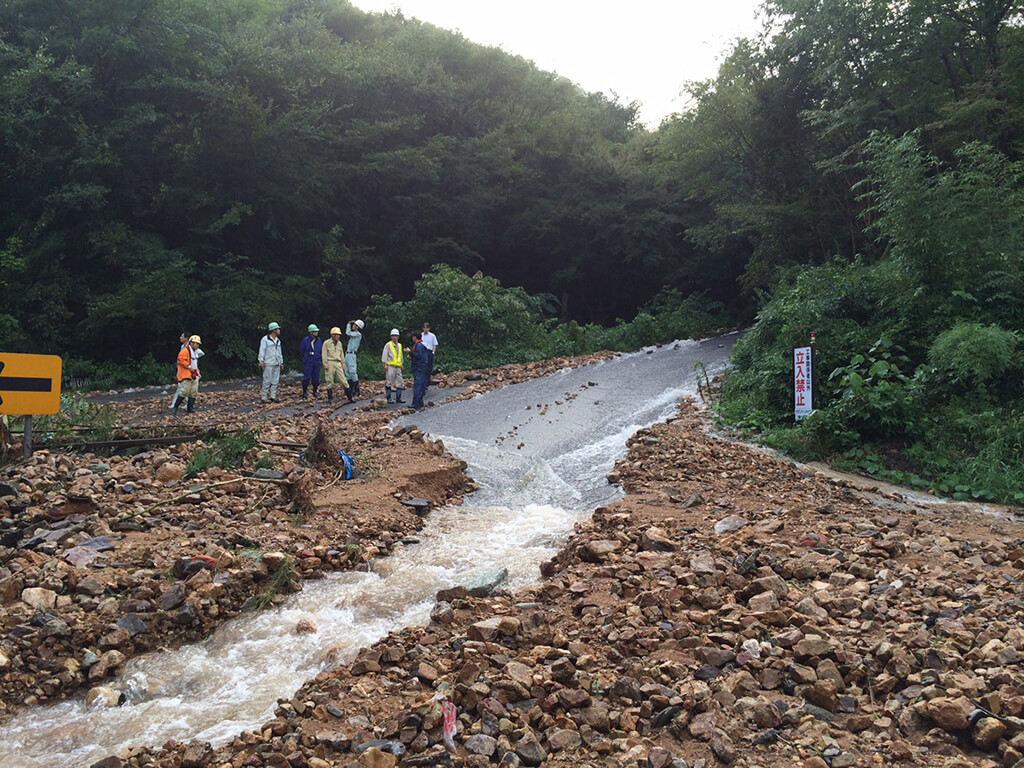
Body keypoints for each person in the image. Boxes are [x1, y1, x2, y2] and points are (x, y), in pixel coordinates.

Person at [322, 327, 352, 405]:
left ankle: (350, 397)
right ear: (333, 335)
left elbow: (341, 353)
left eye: (339, 335)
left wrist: (343, 363)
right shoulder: (326, 343)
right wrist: (325, 364)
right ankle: (330, 398)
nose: (338, 336)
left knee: (344, 380)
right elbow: (324, 354)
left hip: (338, 363)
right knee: (330, 381)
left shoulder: (339, 343)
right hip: (330, 362)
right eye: (337, 335)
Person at [173, 335, 202, 415]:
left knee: (193, 392)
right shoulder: (184, 351)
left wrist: (198, 372)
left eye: (198, 344)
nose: (198, 346)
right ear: (191, 343)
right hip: (186, 375)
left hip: (194, 375)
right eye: (196, 344)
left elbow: (195, 365)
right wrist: (189, 367)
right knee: (184, 391)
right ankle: (175, 407)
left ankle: (190, 409)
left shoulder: (195, 353)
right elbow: (180, 361)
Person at [259, 322, 284, 403]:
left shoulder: (278, 340)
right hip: (268, 363)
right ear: (274, 330)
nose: (279, 330)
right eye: (278, 329)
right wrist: (261, 360)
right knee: (267, 380)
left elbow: (279, 352)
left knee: (275, 381)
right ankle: (264, 397)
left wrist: (281, 362)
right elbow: (262, 350)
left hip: (276, 363)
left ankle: (273, 396)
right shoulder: (265, 340)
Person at [381, 328, 405, 404]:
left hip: (398, 366)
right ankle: (389, 398)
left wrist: (401, 364)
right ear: (391, 337)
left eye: (396, 336)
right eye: (393, 336)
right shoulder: (388, 345)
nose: (395, 337)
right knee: (389, 382)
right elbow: (385, 354)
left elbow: (400, 355)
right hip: (390, 366)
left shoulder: (400, 345)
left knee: (400, 382)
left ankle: (398, 397)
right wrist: (385, 363)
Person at [300, 324, 323, 399]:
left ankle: (315, 391)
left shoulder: (319, 340)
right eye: (315, 331)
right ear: (311, 332)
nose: (317, 333)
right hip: (308, 361)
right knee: (307, 377)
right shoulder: (306, 340)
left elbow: (320, 351)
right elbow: (302, 351)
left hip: (317, 361)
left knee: (316, 378)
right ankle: (304, 392)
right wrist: (306, 357)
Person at [409, 331, 430, 409]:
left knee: (418, 385)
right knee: (422, 385)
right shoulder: (423, 345)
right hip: (423, 367)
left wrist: (410, 352)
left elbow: (418, 355)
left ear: (415, 337)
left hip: (418, 368)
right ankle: (420, 401)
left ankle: (416, 403)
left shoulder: (418, 345)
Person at [346, 319, 364, 398]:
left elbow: (348, 333)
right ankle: (351, 389)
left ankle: (357, 390)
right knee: (347, 372)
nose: (353, 326)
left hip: (352, 354)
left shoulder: (358, 334)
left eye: (355, 325)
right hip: (347, 354)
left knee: (352, 372)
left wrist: (348, 324)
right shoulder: (355, 334)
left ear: (358, 327)